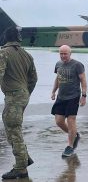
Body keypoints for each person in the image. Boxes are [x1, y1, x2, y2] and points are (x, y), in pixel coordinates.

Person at [0, 26, 37, 179]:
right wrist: (26, 93)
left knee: (14, 131)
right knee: (11, 129)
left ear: (5, 38)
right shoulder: (27, 55)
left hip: (14, 96)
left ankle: (21, 169)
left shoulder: (3, 53)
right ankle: (24, 158)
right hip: (22, 95)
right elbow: (33, 79)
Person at [51, 45, 87, 157]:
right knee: (59, 121)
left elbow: (83, 80)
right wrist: (53, 91)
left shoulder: (77, 65)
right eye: (61, 53)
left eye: (65, 53)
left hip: (73, 96)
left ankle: (70, 146)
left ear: (70, 53)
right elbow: (58, 78)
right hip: (61, 97)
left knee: (71, 120)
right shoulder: (58, 64)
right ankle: (74, 135)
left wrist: (84, 95)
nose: (63, 56)